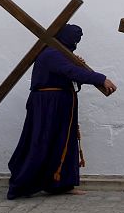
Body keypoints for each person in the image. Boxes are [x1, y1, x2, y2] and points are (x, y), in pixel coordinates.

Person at [7, 24, 117, 199]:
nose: (76, 43)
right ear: (65, 37)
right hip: (48, 106)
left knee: (62, 143)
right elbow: (70, 71)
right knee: (41, 142)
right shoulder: (52, 53)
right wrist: (101, 78)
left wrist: (77, 64)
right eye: (74, 39)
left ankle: (60, 184)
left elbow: (70, 76)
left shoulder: (61, 54)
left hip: (59, 104)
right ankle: (21, 184)